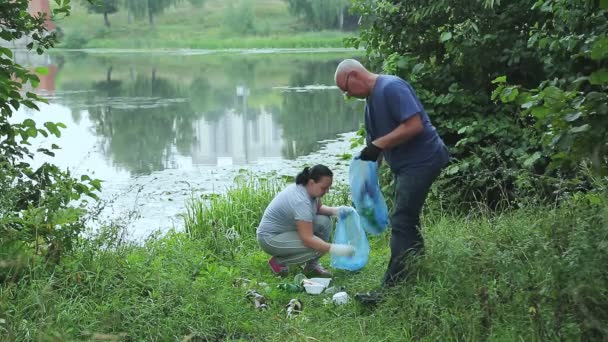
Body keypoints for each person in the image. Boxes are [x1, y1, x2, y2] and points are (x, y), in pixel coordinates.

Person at [334, 59, 449, 297]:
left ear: (354, 75)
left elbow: (414, 125)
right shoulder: (369, 105)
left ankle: (389, 289)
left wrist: (378, 145)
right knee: (407, 219)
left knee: (401, 220)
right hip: (406, 166)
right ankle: (417, 267)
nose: (347, 94)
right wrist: (366, 181)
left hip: (424, 159)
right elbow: (374, 149)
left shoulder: (391, 87)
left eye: (346, 88)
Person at [256, 164, 356, 277]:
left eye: (329, 187)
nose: (327, 191)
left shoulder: (310, 190)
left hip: (287, 231)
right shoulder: (301, 201)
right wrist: (336, 249)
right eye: (324, 188)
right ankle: (278, 262)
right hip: (270, 238)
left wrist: (338, 210)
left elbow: (318, 209)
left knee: (324, 222)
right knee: (316, 247)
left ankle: (311, 265)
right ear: (312, 182)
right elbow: (308, 239)